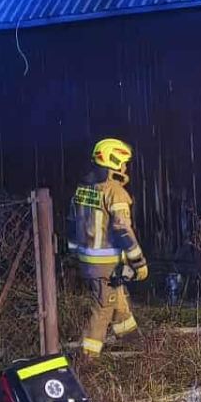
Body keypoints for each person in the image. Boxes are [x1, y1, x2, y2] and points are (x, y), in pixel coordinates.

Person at [70, 138, 148, 359]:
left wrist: (75, 255)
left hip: (88, 262)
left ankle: (135, 345)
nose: (125, 168)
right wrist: (139, 262)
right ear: (115, 162)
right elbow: (123, 230)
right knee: (103, 309)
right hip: (106, 265)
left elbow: (71, 224)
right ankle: (87, 360)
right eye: (123, 163)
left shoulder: (84, 190)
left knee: (119, 304)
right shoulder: (115, 192)